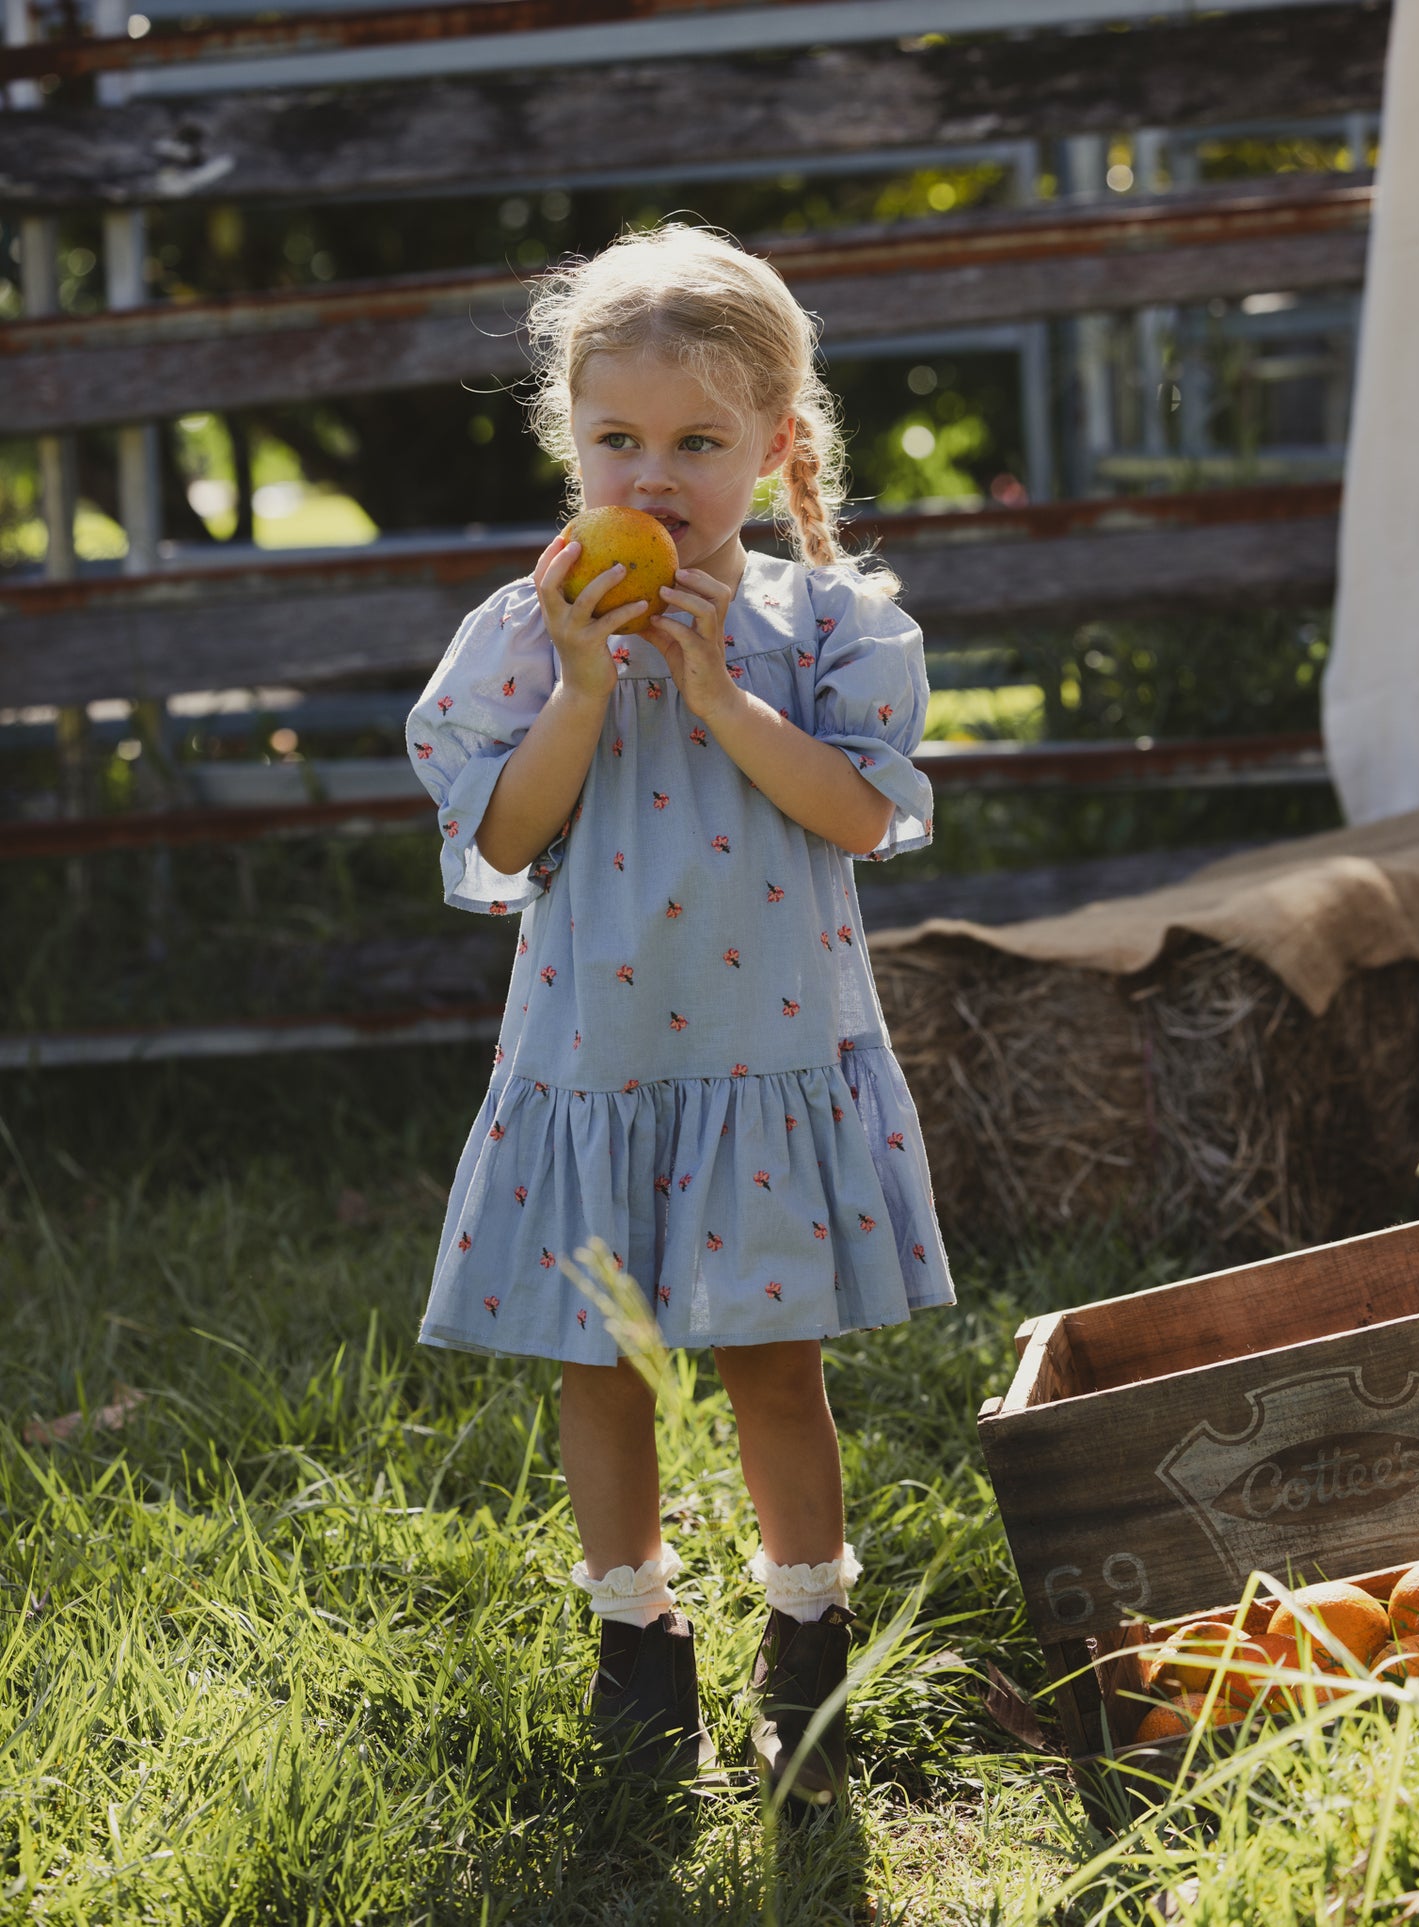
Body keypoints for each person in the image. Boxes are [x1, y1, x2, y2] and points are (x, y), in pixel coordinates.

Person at [407, 224, 955, 1804]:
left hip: (765, 1058)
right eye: (617, 441)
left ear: (775, 446)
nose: (653, 478)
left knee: (774, 1363)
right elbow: (502, 839)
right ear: (569, 444)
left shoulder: (827, 629)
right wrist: (586, 687)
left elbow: (859, 817)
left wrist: (720, 694)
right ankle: (636, 1642)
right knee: (605, 1362)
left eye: (697, 444)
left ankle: (809, 1630)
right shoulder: (526, 635)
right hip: (600, 1062)